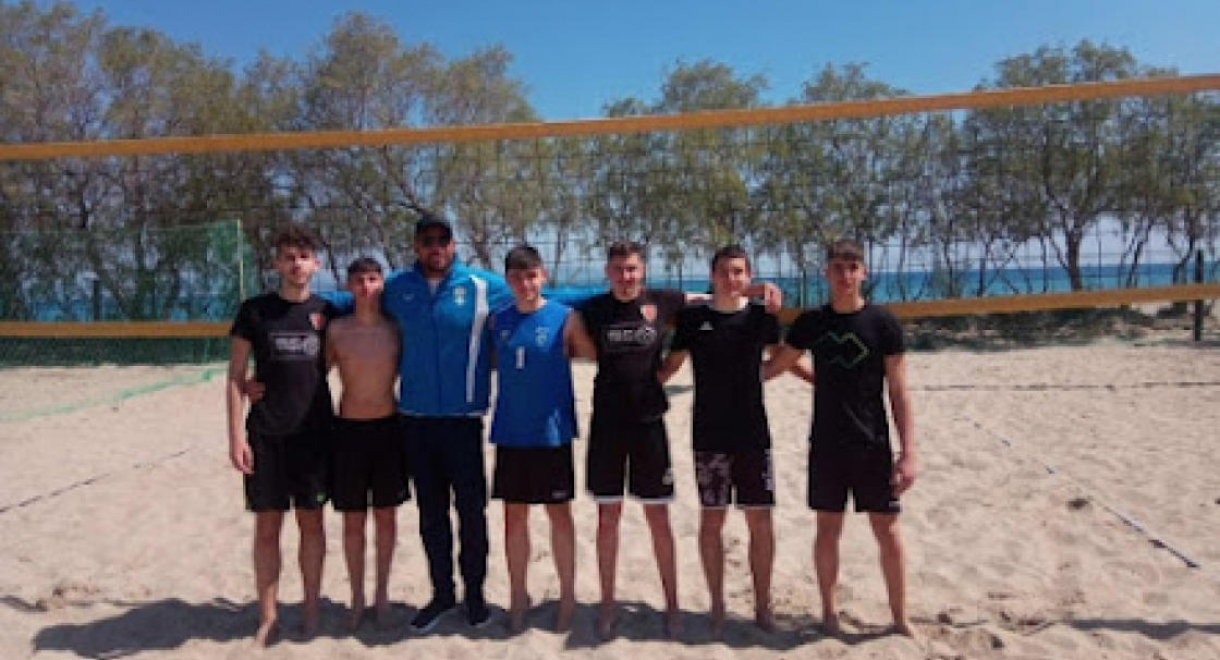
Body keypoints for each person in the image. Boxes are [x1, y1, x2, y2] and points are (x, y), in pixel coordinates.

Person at [578, 240, 781, 639]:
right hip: (606, 426)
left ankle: (673, 607)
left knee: (659, 518)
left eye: (632, 268)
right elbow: (551, 306)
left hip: (651, 424)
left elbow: (713, 297)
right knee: (607, 519)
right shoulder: (592, 308)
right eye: (618, 269)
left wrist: (756, 289)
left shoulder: (665, 301)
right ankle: (607, 607)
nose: (625, 276)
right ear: (607, 272)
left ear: (643, 271)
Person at [763, 238, 917, 637]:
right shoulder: (812, 322)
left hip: (872, 442)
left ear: (863, 272)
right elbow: (776, 365)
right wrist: (730, 368)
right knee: (828, 528)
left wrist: (908, 453)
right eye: (837, 268)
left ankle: (900, 618)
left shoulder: (883, 323)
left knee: (888, 530)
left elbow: (899, 391)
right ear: (826, 273)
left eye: (852, 267)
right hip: (826, 443)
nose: (845, 275)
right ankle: (829, 615)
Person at [657, 245, 810, 638]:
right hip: (708, 434)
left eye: (739, 272)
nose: (731, 278)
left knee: (760, 519)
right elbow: (671, 366)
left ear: (748, 276)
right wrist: (633, 389)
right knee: (712, 520)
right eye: (724, 272)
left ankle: (763, 606)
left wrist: (818, 380)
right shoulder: (693, 318)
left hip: (753, 434)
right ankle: (717, 606)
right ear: (712, 276)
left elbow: (782, 358)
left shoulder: (761, 316)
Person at [384, 214, 510, 632]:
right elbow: (348, 301)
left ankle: (475, 596)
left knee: (471, 513)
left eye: (443, 240)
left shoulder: (483, 286)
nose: (435, 247)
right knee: (431, 514)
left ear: (454, 245)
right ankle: (442, 594)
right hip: (415, 421)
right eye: (427, 241)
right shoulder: (397, 287)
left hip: (463, 421)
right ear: (416, 246)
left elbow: (547, 295)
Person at [226, 225, 336, 646]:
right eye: (288, 257)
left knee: (312, 525)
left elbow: (331, 363)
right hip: (266, 435)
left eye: (303, 257)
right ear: (276, 263)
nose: (296, 264)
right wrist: (236, 437)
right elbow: (235, 376)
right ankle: (268, 616)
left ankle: (311, 610)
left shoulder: (327, 313)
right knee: (268, 527)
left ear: (316, 264)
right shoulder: (255, 312)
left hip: (314, 437)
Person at [488, 245, 596, 633]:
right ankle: (518, 598)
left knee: (559, 516)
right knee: (514, 518)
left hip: (551, 433)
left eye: (531, 276)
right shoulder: (497, 320)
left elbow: (591, 355)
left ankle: (567, 598)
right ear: (508, 280)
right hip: (511, 431)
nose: (525, 284)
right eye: (517, 277)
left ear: (543, 276)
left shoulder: (565, 318)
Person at [325, 257, 407, 631]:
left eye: (373, 279)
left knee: (386, 518)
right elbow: (312, 375)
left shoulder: (395, 329)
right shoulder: (337, 330)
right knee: (353, 521)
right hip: (348, 431)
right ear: (349, 285)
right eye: (359, 280)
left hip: (388, 429)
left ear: (381, 284)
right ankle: (357, 597)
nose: (366, 287)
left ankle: (381, 595)